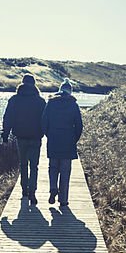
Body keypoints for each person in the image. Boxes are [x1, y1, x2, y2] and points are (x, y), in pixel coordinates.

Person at [2, 73, 45, 205]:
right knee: (34, 166)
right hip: (36, 138)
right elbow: (45, 120)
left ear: (22, 83)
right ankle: (32, 191)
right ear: (34, 84)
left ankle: (24, 191)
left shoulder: (14, 100)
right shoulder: (40, 101)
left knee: (23, 165)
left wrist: (5, 135)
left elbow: (8, 117)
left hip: (20, 137)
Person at [42, 79, 83, 208]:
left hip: (53, 140)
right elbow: (79, 126)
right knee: (65, 171)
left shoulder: (51, 103)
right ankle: (63, 200)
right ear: (70, 91)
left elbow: (44, 122)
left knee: (53, 168)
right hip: (68, 142)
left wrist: (49, 135)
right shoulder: (73, 105)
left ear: (60, 90)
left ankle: (53, 188)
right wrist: (73, 139)